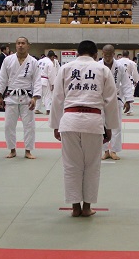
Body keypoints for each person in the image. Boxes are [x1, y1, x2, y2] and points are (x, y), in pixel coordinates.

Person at [50, 40, 119, 217]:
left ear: (77, 53)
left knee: (71, 165)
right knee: (92, 166)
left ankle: (75, 207)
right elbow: (110, 100)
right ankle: (87, 207)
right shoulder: (102, 69)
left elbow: (57, 97)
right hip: (93, 121)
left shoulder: (66, 68)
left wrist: (56, 124)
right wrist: (110, 126)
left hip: (69, 120)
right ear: (96, 55)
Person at [0, 37, 42, 159]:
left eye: (23, 43)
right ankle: (12, 149)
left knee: (29, 125)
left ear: (28, 46)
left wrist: (35, 98)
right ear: (15, 46)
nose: (20, 45)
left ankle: (28, 150)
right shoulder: (8, 60)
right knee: (8, 125)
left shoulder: (33, 62)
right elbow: (2, 78)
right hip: (11, 97)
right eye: (18, 43)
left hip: (27, 98)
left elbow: (37, 81)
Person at [100, 45, 134, 160]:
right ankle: (105, 150)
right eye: (105, 55)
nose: (108, 57)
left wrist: (128, 100)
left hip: (115, 98)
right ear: (102, 54)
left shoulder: (120, 66)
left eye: (110, 55)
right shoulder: (97, 66)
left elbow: (126, 83)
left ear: (114, 54)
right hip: (100, 100)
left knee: (116, 125)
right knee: (101, 125)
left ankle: (113, 150)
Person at [36, 50, 57, 114]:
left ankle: (37, 109)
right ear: (52, 57)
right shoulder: (50, 63)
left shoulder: (39, 61)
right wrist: (52, 84)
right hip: (45, 80)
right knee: (47, 95)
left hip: (38, 79)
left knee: (39, 95)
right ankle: (48, 109)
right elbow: (51, 74)